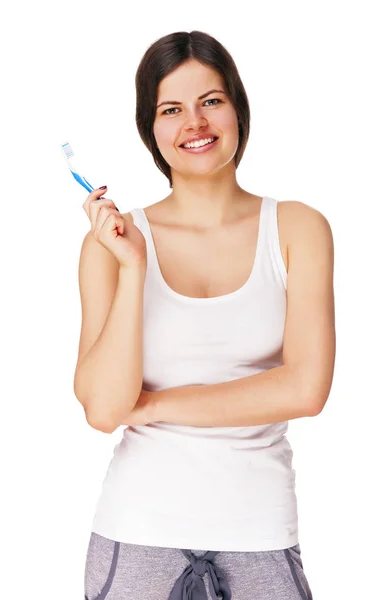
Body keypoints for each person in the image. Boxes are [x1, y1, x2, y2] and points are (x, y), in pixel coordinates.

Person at [75, 30, 335, 600]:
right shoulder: (113, 243)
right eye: (172, 109)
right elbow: (104, 408)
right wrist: (135, 269)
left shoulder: (297, 228)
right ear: (152, 130)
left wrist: (159, 405)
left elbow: (307, 388)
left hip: (260, 533)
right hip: (135, 532)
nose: (194, 123)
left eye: (210, 101)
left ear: (238, 109)